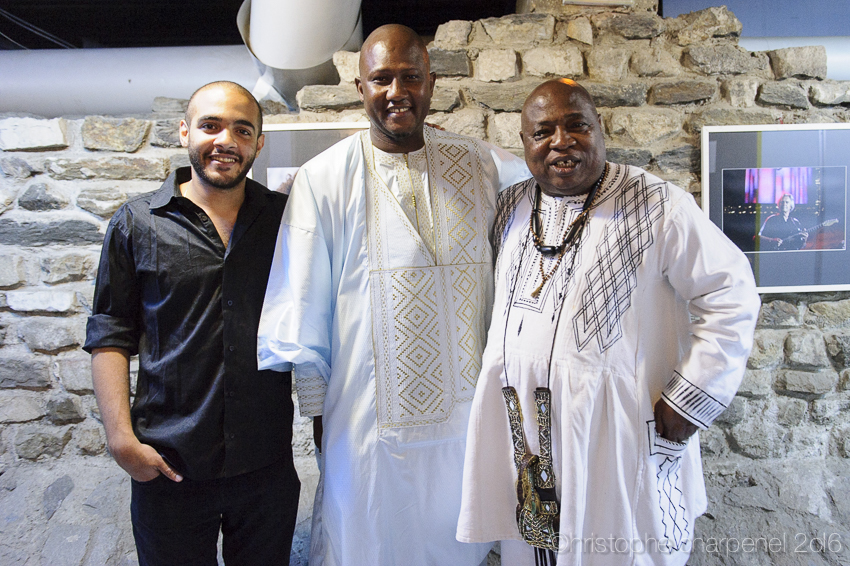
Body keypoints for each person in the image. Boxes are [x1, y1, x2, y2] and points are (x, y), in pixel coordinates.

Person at [257, 24, 531, 566]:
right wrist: (318, 416)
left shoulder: (483, 166)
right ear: (360, 87)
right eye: (381, 78)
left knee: (461, 539)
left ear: (432, 83)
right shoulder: (322, 179)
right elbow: (304, 303)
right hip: (365, 420)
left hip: (466, 417)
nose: (396, 91)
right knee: (367, 540)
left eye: (411, 76)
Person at [456, 79, 760, 566]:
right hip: (528, 436)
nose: (561, 141)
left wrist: (692, 396)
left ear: (600, 130)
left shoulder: (658, 204)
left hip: (617, 433)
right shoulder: (511, 207)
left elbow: (730, 292)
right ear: (526, 144)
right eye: (543, 132)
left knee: (623, 549)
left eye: (577, 126)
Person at [83, 81, 298, 566]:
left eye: (243, 130)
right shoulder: (136, 224)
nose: (226, 140)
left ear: (258, 143)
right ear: (185, 132)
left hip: (265, 466)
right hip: (169, 466)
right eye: (211, 126)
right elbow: (110, 332)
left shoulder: (285, 221)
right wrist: (120, 439)